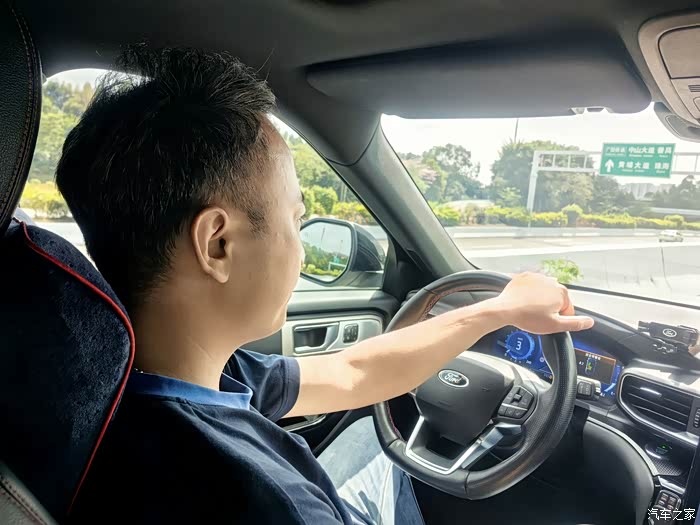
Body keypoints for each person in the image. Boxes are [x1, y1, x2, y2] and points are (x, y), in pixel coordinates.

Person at [56, 46, 594, 524]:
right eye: (295, 221)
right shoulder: (265, 498)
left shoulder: (125, 373)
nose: (301, 249)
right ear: (217, 244)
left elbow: (351, 372)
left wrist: (495, 311)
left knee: (367, 436)